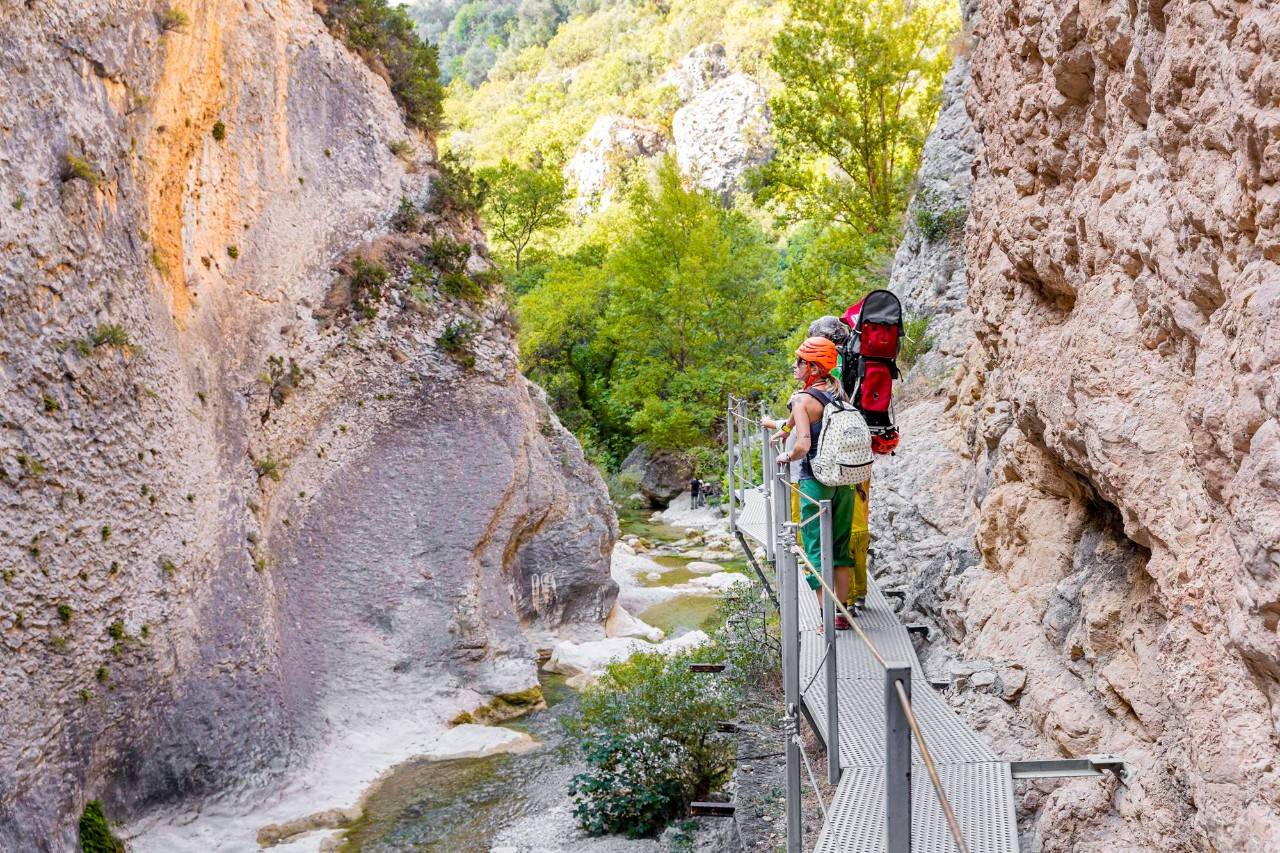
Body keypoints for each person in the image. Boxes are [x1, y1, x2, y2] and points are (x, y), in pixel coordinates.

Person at [770, 337, 858, 628]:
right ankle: (843, 614)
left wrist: (787, 455)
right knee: (840, 546)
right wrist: (784, 429)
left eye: (799, 362)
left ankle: (826, 618)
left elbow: (804, 444)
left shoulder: (801, 399)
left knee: (815, 548)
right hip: (844, 480)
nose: (795, 366)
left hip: (815, 481)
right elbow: (799, 422)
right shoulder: (839, 393)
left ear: (813, 368)